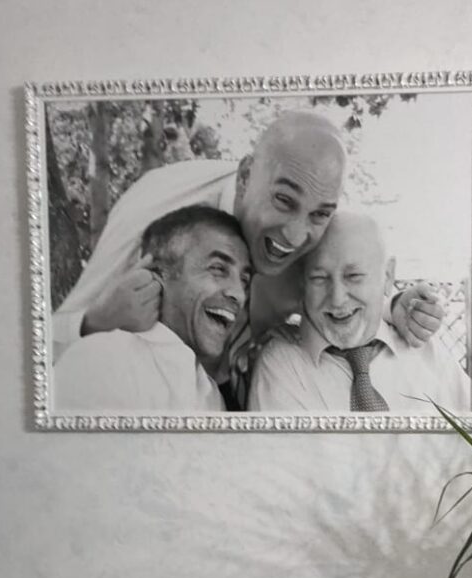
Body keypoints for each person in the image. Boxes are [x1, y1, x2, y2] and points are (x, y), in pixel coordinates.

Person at [51, 111, 443, 408]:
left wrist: (395, 305)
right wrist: (94, 322)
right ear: (244, 177)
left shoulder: (314, 247)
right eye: (283, 201)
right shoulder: (156, 206)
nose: (295, 235)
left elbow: (346, 288)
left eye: (319, 214)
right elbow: (40, 358)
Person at [247, 210, 472, 413]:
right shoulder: (282, 366)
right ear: (303, 283)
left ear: (388, 276)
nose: (336, 298)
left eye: (353, 276)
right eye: (319, 278)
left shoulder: (427, 352)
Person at [54, 206, 250, 413]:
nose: (239, 294)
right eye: (218, 269)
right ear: (156, 273)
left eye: (245, 281)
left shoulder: (210, 394)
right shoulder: (103, 361)